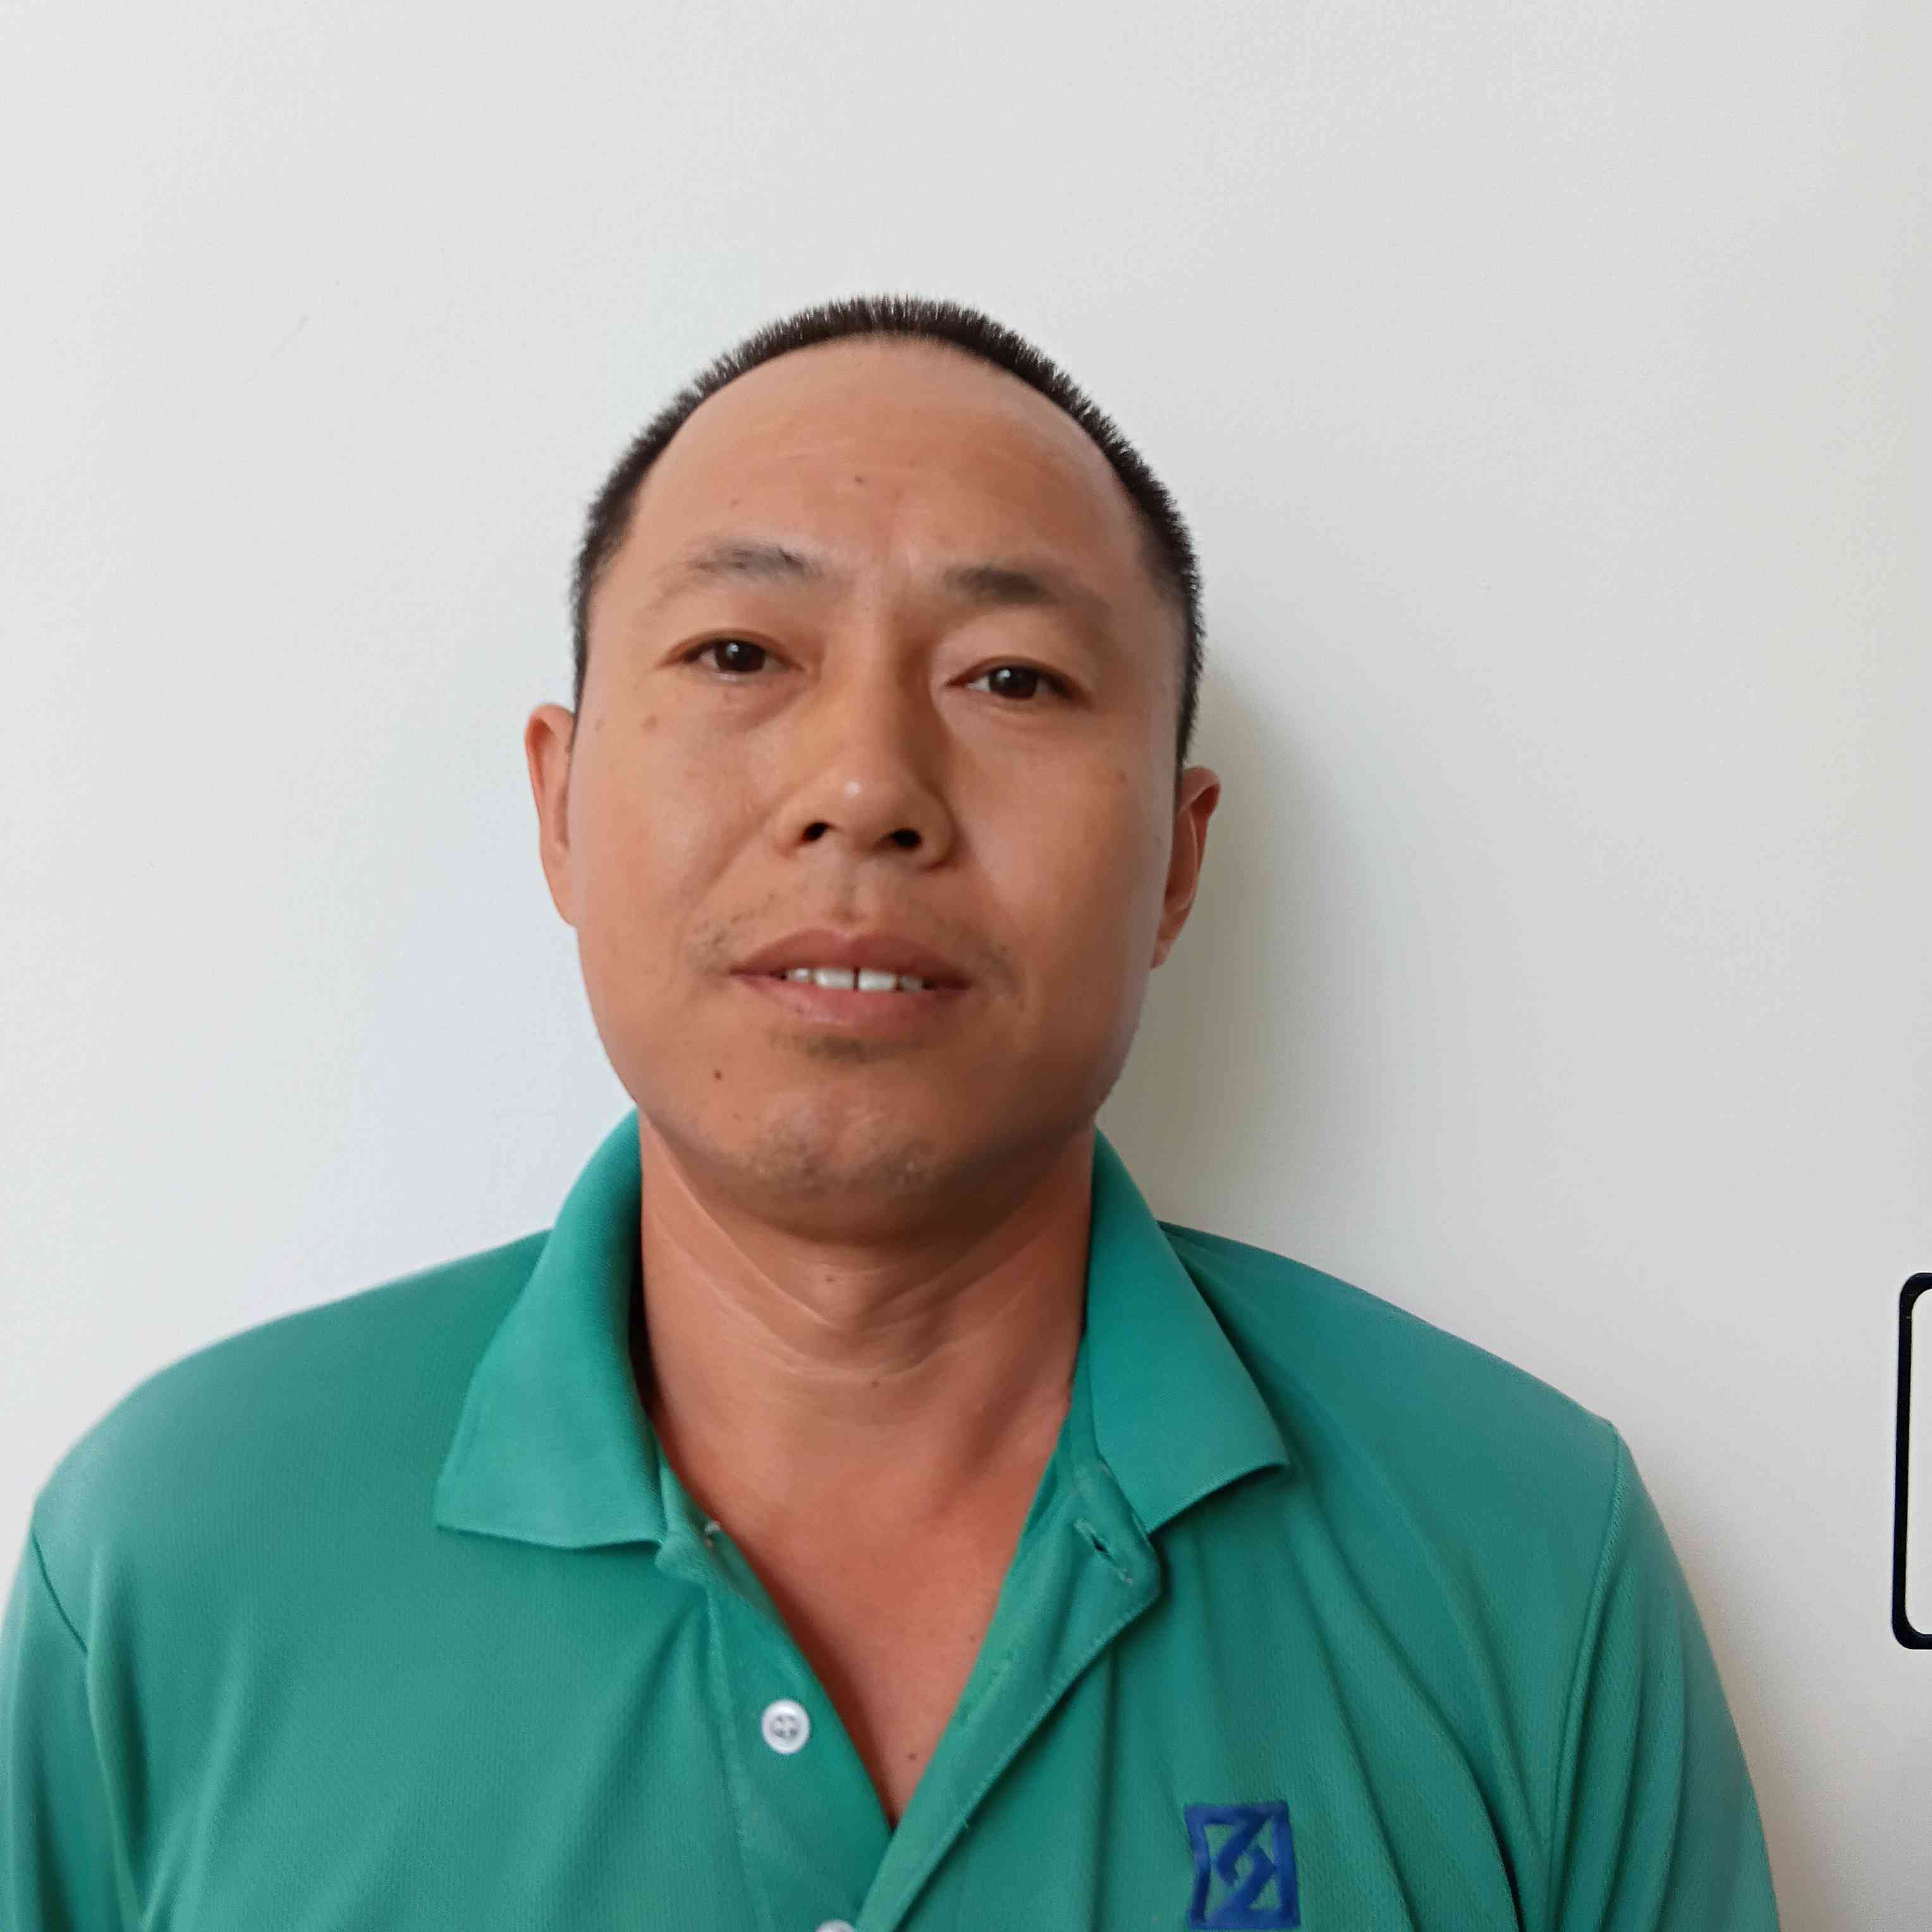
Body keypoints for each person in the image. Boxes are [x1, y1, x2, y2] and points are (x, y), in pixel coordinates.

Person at [1, 293, 1780, 1930]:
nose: (864, 786)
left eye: (1012, 678)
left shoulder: (1522, 1561)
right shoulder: (171, 1560)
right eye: (737, 653)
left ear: (1176, 861)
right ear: (560, 807)